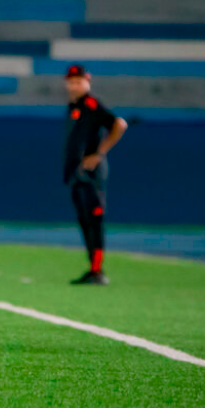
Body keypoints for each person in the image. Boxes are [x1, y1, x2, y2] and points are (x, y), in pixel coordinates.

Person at [62, 65, 128, 286]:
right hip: (78, 174)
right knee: (84, 220)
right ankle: (93, 268)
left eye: (78, 82)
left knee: (94, 219)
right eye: (71, 82)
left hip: (91, 174)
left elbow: (119, 124)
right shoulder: (75, 106)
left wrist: (99, 153)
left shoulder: (91, 105)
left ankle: (98, 270)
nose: (74, 86)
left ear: (87, 82)